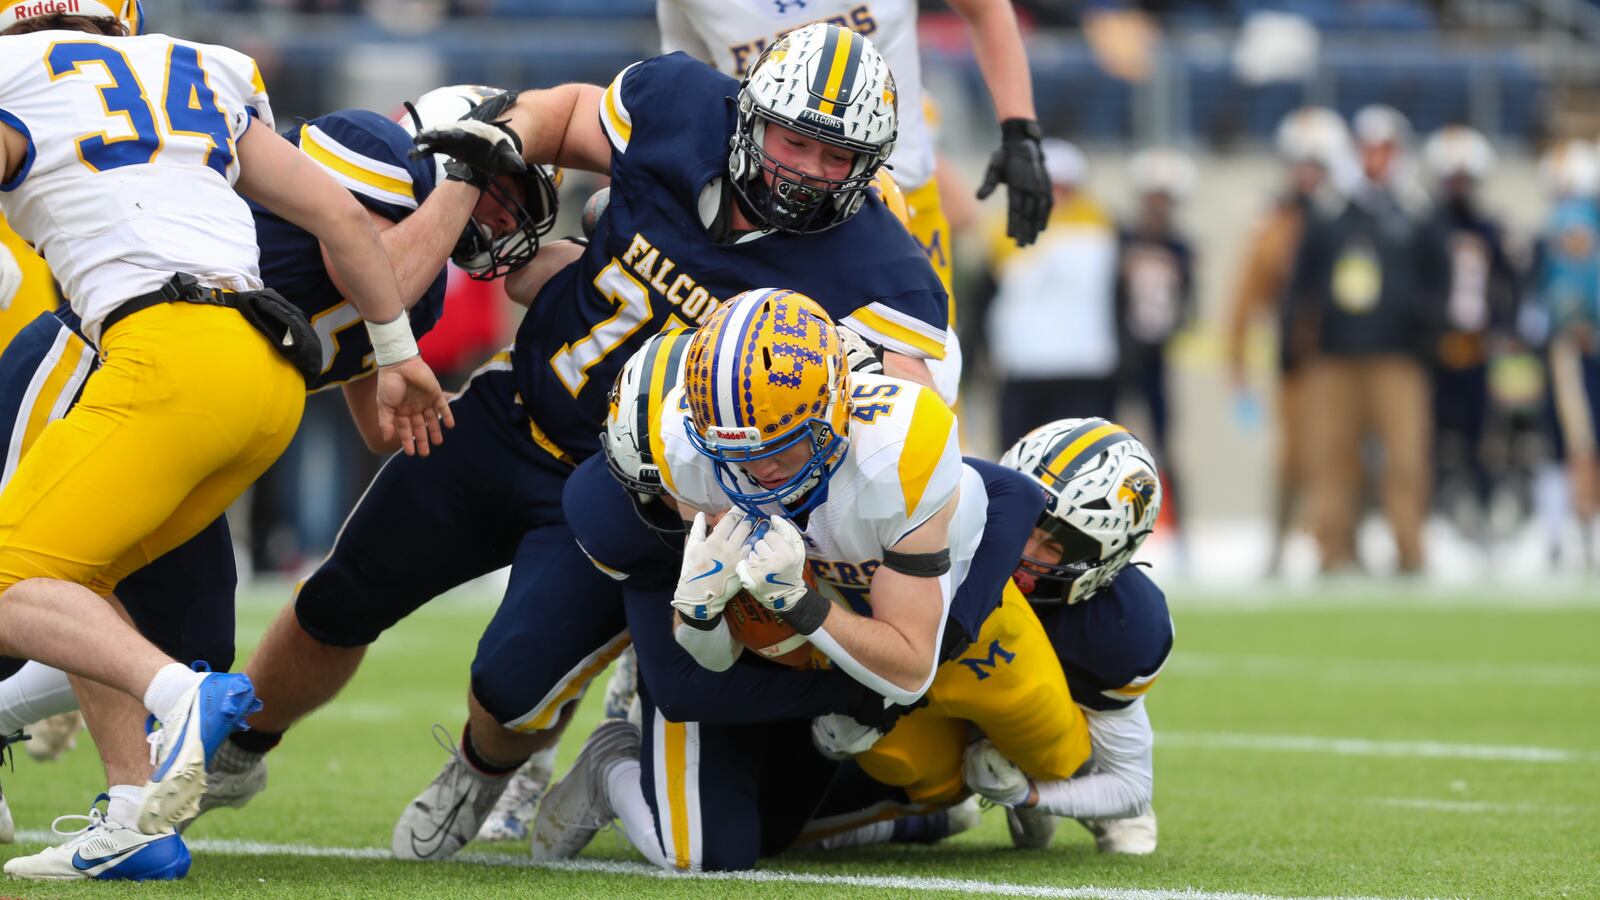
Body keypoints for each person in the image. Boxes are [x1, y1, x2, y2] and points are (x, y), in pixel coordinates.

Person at [211, 23, 951, 863]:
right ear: (750, 117)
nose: (812, 171)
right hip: (510, 406)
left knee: (510, 683)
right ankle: (237, 751)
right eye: (796, 141)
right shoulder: (680, 105)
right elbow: (557, 115)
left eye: (839, 158)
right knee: (343, 594)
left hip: (634, 494)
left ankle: (480, 770)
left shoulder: (884, 274)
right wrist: (490, 156)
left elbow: (900, 420)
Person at [0, 82, 554, 877]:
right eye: (502, 188)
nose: (503, 221)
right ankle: (124, 810)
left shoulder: (425, 289)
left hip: (207, 403)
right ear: (449, 145)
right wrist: (464, 177)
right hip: (100, 364)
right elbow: (376, 274)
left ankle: (124, 817)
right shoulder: (373, 144)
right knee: (38, 573)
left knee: (185, 649)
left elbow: (376, 414)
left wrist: (482, 418)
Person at [531, 288, 1088, 870]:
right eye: (732, 453)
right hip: (799, 647)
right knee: (709, 854)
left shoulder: (898, 447)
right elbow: (702, 669)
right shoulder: (687, 454)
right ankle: (626, 765)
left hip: (873, 626)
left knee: (1028, 735)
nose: (757, 472)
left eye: (781, 447)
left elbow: (909, 670)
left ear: (833, 407)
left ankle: (947, 809)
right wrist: (698, 611)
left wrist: (801, 605)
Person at [655, 0, 1053, 403]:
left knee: (921, 393)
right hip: (760, 206)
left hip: (902, 206)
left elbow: (987, 9)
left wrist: (1019, 129)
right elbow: (700, 90)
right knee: (737, 380)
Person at [962, 417, 1171, 855]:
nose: (1025, 553)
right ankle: (921, 817)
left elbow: (1132, 788)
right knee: (905, 767)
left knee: (1040, 727)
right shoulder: (946, 536)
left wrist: (1030, 797)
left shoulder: (1121, 626)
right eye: (1025, 525)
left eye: (1053, 547)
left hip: (1024, 725)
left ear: (1109, 557)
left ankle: (1063, 783)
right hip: (935, 709)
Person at [1286, 105, 1448, 575]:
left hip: (1399, 359)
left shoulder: (1417, 211)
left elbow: (1441, 279)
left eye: (1385, 149)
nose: (1376, 158)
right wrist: (1297, 344)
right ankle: (1334, 552)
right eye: (1369, 149)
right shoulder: (1331, 211)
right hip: (1336, 357)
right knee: (1332, 458)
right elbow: (1303, 282)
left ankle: (1410, 551)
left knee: (1405, 460)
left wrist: (1425, 336)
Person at [1223, 107, 1354, 576]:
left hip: (1349, 357)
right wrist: (1236, 367)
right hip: (1300, 360)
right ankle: (1283, 544)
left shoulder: (1353, 216)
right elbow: (1247, 297)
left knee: (1344, 457)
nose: (1307, 174)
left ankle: (1338, 546)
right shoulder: (1276, 221)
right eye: (1301, 163)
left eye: (1316, 164)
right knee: (1295, 456)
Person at [982, 139, 1120, 448]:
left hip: (1083, 369)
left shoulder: (1099, 230)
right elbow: (989, 298)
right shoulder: (1004, 232)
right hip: (1024, 368)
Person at [1420, 126, 1520, 544]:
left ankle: (1481, 512)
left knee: (1484, 437)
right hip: (1436, 349)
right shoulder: (1426, 228)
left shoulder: (1489, 229)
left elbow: (1510, 285)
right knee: (1427, 437)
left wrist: (1505, 328)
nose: (1458, 186)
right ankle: (1429, 515)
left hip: (1479, 348)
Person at [1115, 146, 1195, 544]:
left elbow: (1188, 309)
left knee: (1164, 442)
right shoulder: (1119, 239)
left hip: (1155, 357)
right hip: (1116, 356)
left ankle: (1180, 531)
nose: (1158, 207)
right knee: (1108, 443)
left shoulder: (1181, 248)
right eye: (1153, 198)